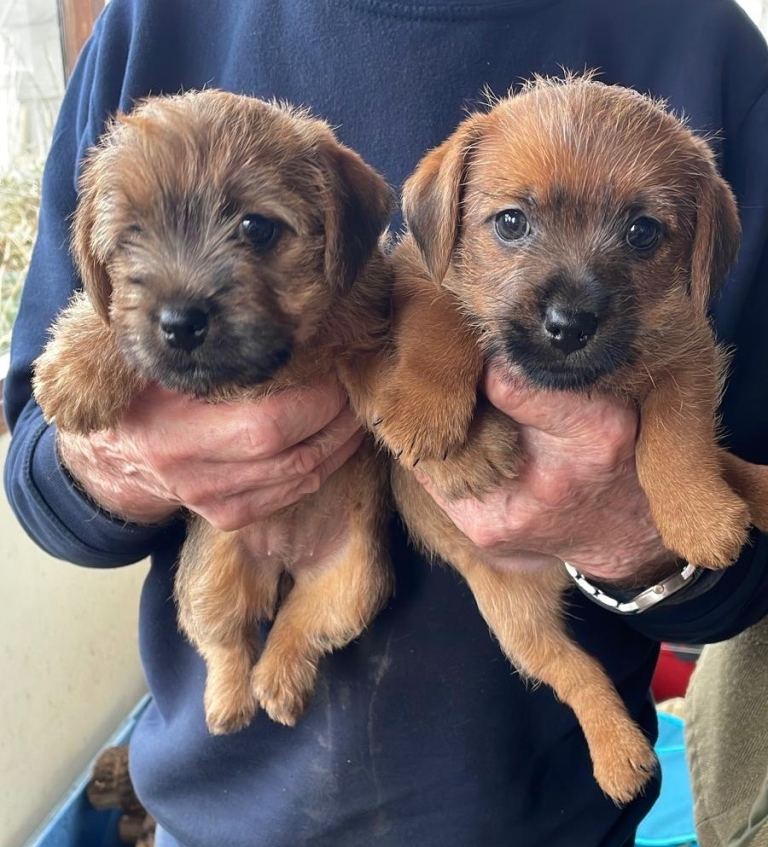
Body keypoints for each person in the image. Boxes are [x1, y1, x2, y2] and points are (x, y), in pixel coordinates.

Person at [4, 1, 768, 845]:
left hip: (546, 814)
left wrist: (630, 534)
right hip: (219, 811)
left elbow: (745, 574)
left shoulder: (711, 45)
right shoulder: (148, 18)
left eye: (260, 230)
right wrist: (117, 464)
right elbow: (39, 462)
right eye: (511, 225)